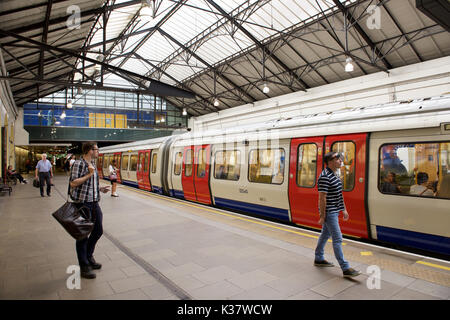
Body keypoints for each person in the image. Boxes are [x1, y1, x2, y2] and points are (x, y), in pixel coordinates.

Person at [314, 151, 361, 278]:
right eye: (338, 159)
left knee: (325, 235)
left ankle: (318, 258)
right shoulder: (324, 176)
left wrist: (344, 209)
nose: (341, 161)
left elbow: (339, 194)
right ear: (330, 162)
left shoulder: (334, 174)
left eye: (340, 159)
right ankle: (345, 268)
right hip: (329, 212)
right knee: (338, 238)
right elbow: (322, 198)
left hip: (335, 210)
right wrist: (323, 216)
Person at [69, 142, 110, 279]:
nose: (98, 151)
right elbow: (73, 183)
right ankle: (84, 266)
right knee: (82, 235)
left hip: (94, 203)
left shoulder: (92, 164)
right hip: (82, 204)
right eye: (96, 149)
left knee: (98, 230)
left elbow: (90, 185)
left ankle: (88, 255)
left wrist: (100, 189)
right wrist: (89, 174)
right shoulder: (78, 164)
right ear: (89, 150)